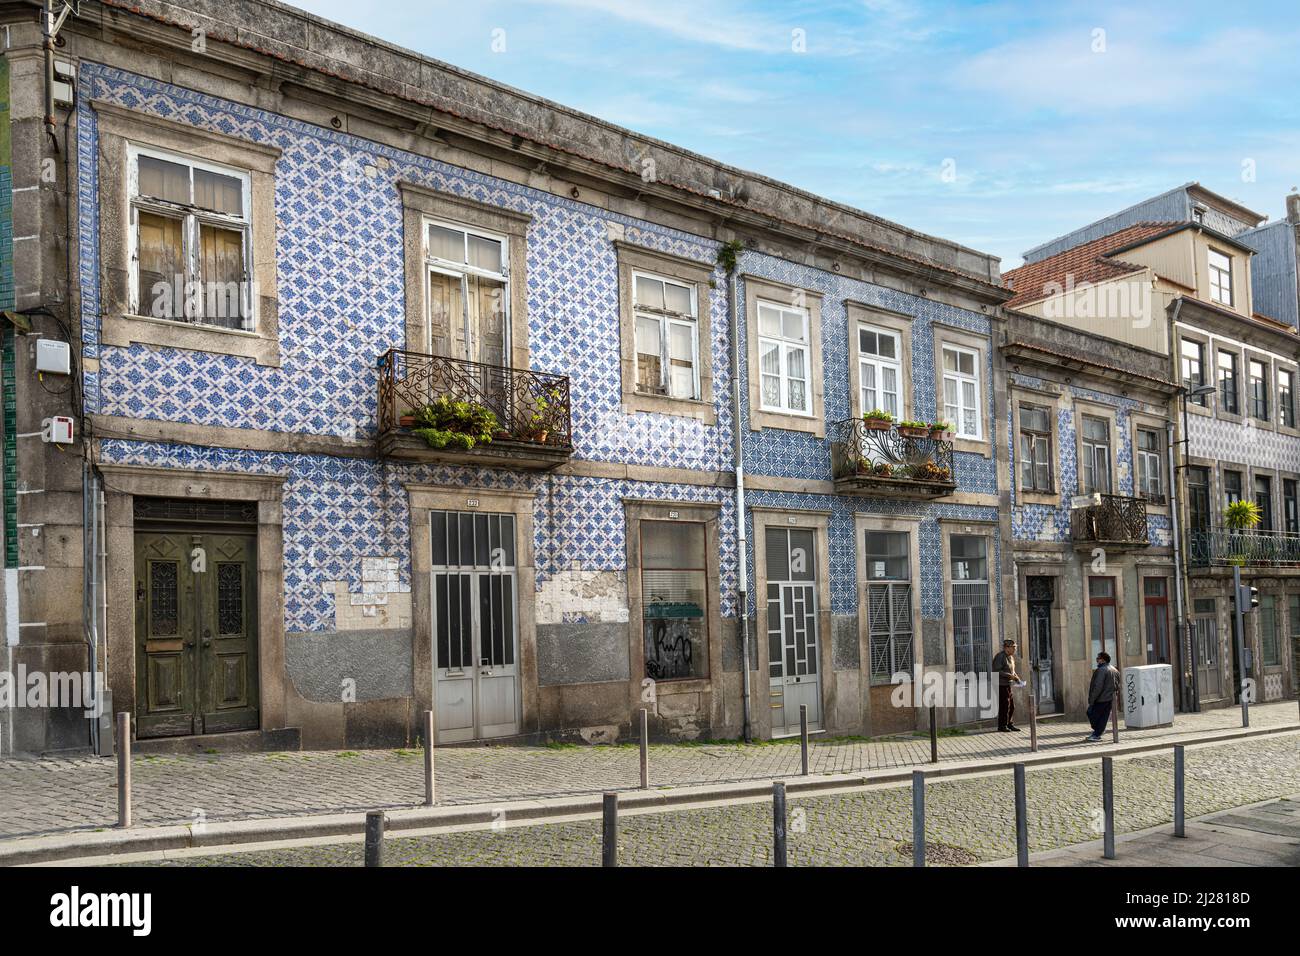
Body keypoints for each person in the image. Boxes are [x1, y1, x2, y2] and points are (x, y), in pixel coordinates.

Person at [1086, 651, 1120, 742]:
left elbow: (1098, 686)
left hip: (1100, 699)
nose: (1097, 660)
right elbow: (1118, 685)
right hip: (1109, 699)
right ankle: (1098, 732)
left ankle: (1097, 733)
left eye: (1098, 658)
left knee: (1092, 714)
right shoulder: (1114, 669)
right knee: (1103, 717)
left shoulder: (1101, 670)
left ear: (1103, 660)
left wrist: (1092, 700)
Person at [991, 638, 1022, 732]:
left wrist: (1017, 678)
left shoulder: (1010, 657)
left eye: (1015, 647)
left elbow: (1012, 670)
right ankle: (1002, 726)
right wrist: (1010, 676)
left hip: (1008, 684)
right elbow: (996, 671)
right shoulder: (1000, 657)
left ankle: (1010, 724)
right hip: (1000, 685)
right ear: (1006, 647)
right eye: (1013, 647)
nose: (1014, 649)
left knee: (1011, 706)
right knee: (1004, 705)